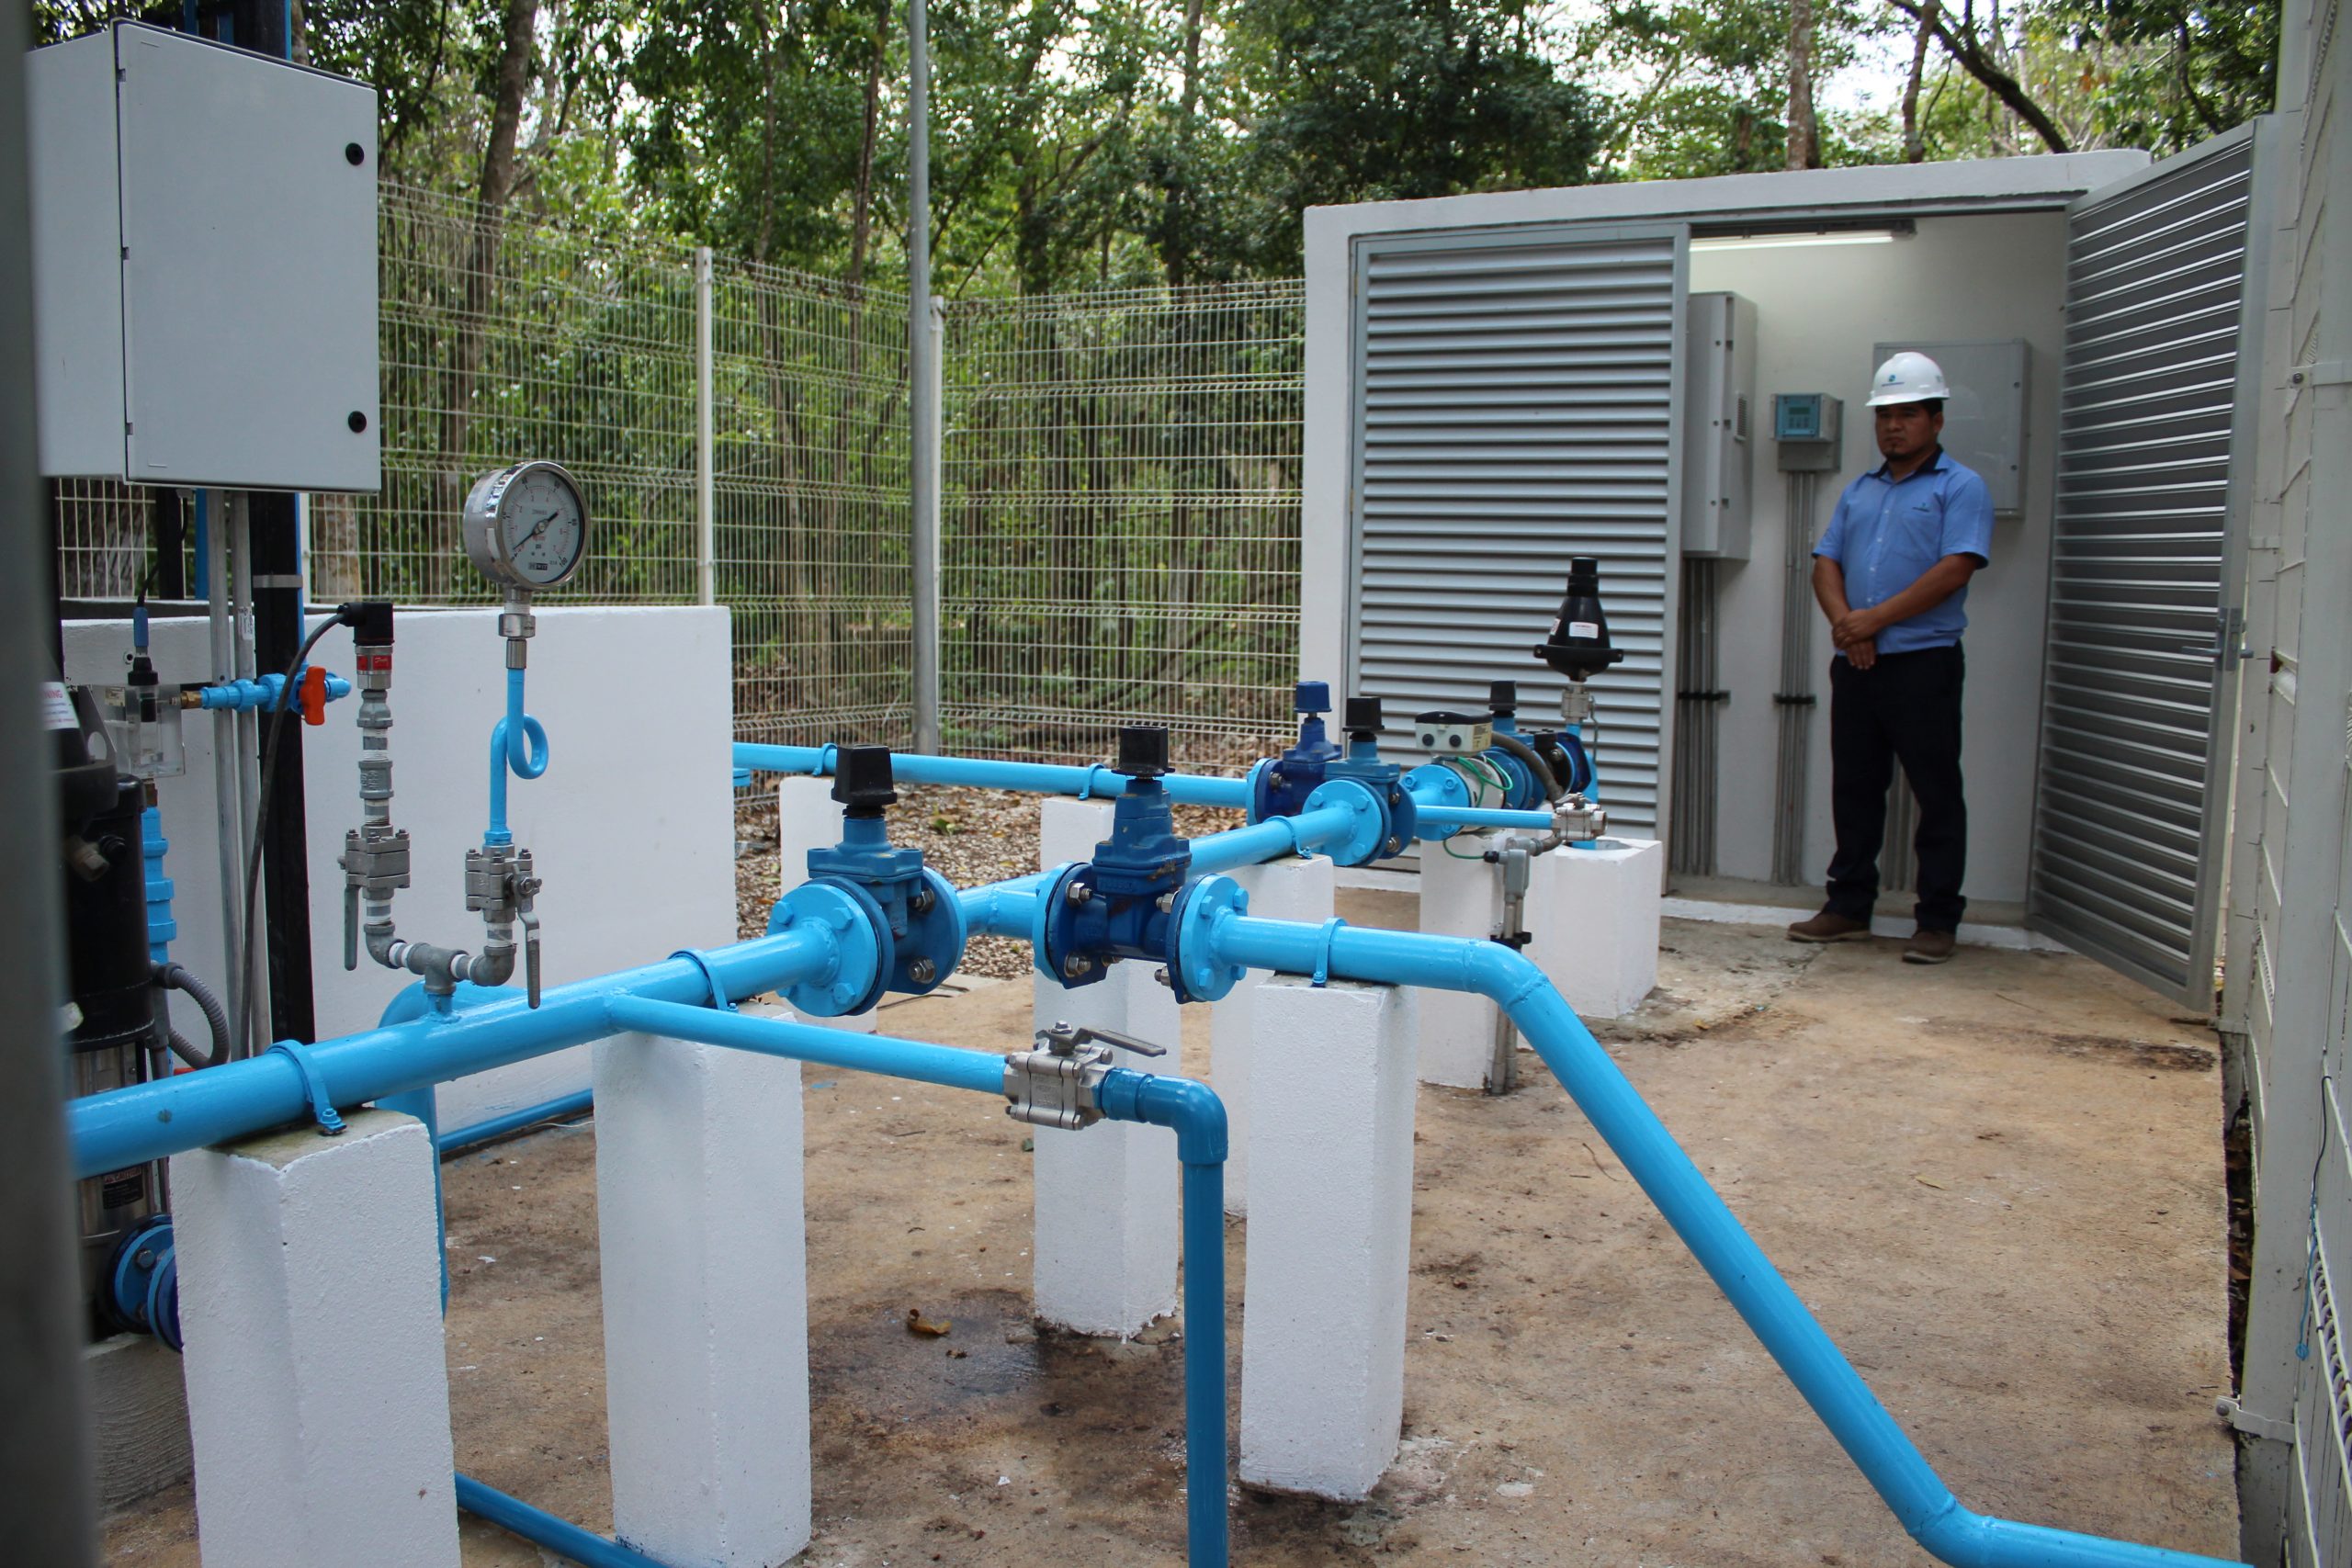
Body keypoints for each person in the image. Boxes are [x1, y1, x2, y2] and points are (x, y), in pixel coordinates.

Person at [1785, 351, 1994, 964]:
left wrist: (1873, 620)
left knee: (1935, 791)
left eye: (1907, 414)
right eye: (1884, 416)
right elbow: (1827, 562)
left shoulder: (1961, 487)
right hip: (1859, 664)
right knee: (1854, 787)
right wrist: (1851, 630)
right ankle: (1848, 906)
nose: (1892, 427)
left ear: (1936, 420)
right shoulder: (1860, 491)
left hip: (1922, 664)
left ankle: (1936, 920)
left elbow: (1956, 567)